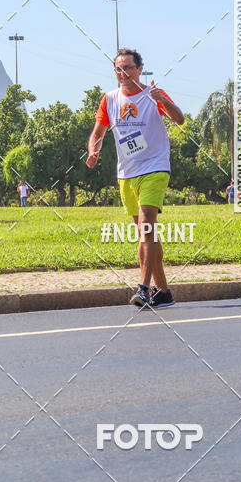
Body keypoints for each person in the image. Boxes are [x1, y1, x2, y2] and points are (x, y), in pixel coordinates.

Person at [86, 48, 184, 309]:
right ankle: (164, 292)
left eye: (128, 67)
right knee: (146, 232)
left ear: (140, 69)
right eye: (119, 68)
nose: (123, 73)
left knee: (147, 225)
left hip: (155, 168)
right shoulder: (109, 99)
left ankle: (144, 288)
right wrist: (93, 150)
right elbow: (98, 131)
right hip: (127, 173)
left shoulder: (153, 95)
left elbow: (180, 119)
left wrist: (163, 101)